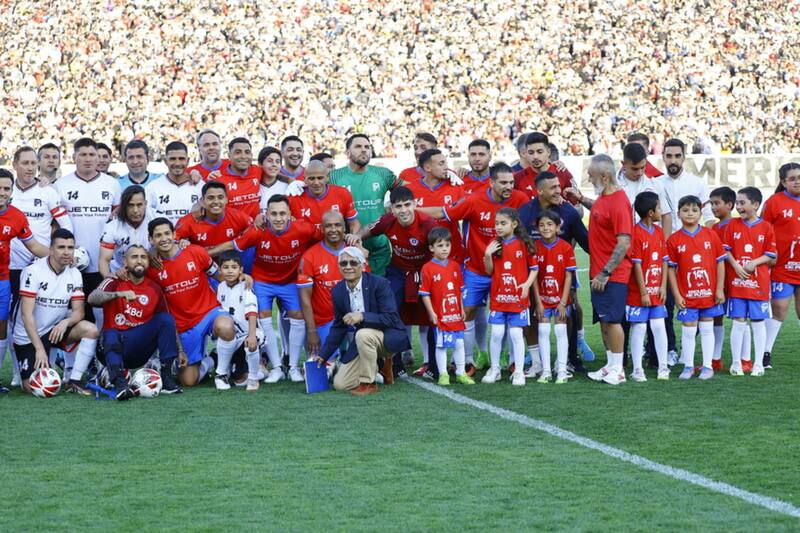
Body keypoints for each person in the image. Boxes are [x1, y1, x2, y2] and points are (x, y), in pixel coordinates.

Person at [419, 163, 528, 372]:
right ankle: (467, 361)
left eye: (511, 182)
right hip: (476, 270)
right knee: (466, 311)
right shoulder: (474, 200)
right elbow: (443, 213)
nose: (508, 186)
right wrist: (412, 209)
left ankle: (514, 361)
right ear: (492, 182)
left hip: (507, 273)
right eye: (503, 182)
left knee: (511, 313)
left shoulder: (520, 199)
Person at [216, 195, 320, 382]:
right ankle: (277, 368)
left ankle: (294, 367)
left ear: (290, 214)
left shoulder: (303, 228)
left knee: (298, 316)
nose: (278, 218)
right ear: (266, 215)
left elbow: (325, 238)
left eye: (282, 213)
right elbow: (234, 247)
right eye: (273, 214)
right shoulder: (257, 230)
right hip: (263, 281)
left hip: (290, 281)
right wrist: (207, 254)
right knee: (263, 316)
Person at [146, 217, 238, 387]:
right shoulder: (151, 267)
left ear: (175, 234)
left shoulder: (196, 252)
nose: (164, 238)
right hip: (183, 325)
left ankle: (222, 373)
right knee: (188, 381)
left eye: (167, 233)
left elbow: (219, 277)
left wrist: (241, 278)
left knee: (225, 326)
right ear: (151, 240)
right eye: (158, 235)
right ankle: (213, 359)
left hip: (209, 312)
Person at [359, 186, 439, 377]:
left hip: (424, 271)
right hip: (398, 271)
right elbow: (367, 231)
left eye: (407, 205)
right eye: (398, 206)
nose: (403, 210)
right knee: (390, 312)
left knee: (432, 316)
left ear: (415, 204)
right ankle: (394, 364)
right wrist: (357, 240)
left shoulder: (428, 224)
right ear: (392, 209)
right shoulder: (388, 221)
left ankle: (435, 365)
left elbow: (441, 248)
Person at [87, 245, 182, 399]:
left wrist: (181, 351)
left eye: (143, 257)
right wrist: (118, 294)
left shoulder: (154, 288)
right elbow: (92, 298)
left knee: (165, 319)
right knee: (111, 332)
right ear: (125, 261)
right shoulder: (113, 280)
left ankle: (166, 378)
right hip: (108, 346)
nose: (139, 261)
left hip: (137, 349)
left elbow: (167, 324)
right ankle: (120, 384)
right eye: (134, 257)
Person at [519, 171, 593, 372]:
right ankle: (536, 361)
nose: (558, 191)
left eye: (558, 186)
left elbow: (587, 243)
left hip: (563, 276)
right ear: (539, 191)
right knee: (532, 313)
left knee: (567, 313)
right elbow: (517, 245)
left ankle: (568, 358)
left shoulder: (567, 212)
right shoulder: (525, 213)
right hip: (533, 275)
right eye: (553, 188)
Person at [313, 247, 410, 395]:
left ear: (363, 265)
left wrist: (363, 316)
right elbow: (339, 327)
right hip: (363, 342)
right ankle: (380, 365)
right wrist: (323, 354)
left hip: (388, 336)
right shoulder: (338, 291)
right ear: (338, 267)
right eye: (343, 263)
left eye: (353, 263)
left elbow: (391, 318)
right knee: (340, 384)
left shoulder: (380, 284)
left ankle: (368, 383)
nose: (348, 267)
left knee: (363, 334)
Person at [13, 229, 98, 396]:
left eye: (70, 247)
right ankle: (48, 358)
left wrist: (65, 322)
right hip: (29, 337)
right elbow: (26, 315)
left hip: (54, 330)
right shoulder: (33, 271)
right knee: (32, 388)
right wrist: (39, 349)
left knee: (91, 329)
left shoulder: (74, 273)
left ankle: (73, 380)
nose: (66, 252)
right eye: (61, 247)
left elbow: (79, 312)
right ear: (51, 249)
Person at [54, 137, 122, 326]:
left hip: (103, 261)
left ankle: (99, 352)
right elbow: (54, 224)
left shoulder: (112, 184)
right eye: (83, 154)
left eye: (92, 154)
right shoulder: (61, 185)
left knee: (101, 310)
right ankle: (68, 355)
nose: (88, 158)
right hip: (72, 261)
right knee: (72, 311)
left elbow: (117, 219)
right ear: (74, 157)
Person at [577, 155, 632, 386]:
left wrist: (605, 273)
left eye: (591, 175)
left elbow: (623, 243)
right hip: (598, 273)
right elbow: (600, 212)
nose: (588, 178)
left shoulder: (619, 201)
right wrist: (580, 199)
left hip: (611, 275)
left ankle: (618, 369)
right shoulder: (604, 198)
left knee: (613, 320)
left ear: (605, 176)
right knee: (603, 320)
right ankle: (610, 364)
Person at [0, 167, 51, 393]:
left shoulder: (17, 216)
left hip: (3, 281)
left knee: (2, 328)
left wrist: (60, 255)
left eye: (6, 188)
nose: (2, 192)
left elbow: (34, 246)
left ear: (11, 191)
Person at [667, 196, 726, 380]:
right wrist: (676, 295)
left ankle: (708, 366)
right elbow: (670, 270)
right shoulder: (674, 240)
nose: (690, 214)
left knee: (707, 328)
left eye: (694, 210)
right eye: (685, 210)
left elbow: (720, 264)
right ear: (678, 214)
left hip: (709, 294)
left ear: (701, 213)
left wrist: (719, 289)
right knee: (688, 329)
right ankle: (688, 366)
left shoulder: (711, 235)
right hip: (687, 295)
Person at [329, 134, 401, 276]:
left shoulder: (383, 174)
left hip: (380, 247)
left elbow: (410, 191)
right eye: (358, 146)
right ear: (348, 153)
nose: (364, 150)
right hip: (349, 247)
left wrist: (446, 175)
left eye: (367, 147)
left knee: (377, 292)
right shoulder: (334, 177)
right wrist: (296, 183)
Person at [722, 187, 776, 376]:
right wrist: (736, 266)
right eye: (737, 203)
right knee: (738, 323)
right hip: (737, 285)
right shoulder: (732, 225)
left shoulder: (766, 227)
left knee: (758, 323)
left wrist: (755, 262)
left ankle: (759, 364)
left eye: (742, 203)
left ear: (755, 205)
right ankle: (736, 363)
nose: (739, 206)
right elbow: (725, 250)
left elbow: (771, 254)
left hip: (758, 285)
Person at [481, 207, 538, 386]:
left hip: (518, 299)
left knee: (515, 333)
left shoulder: (524, 243)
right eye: (496, 223)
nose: (498, 227)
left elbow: (534, 269)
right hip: (499, 299)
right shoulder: (494, 245)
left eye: (503, 223)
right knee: (497, 334)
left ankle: (519, 372)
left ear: (514, 224)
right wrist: (487, 255)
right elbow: (490, 271)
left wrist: (527, 285)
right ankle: (495, 369)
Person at [297, 211, 360, 359]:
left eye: (337, 225)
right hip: (326, 322)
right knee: (322, 367)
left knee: (362, 353)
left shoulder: (356, 253)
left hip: (354, 318)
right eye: (328, 226)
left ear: (345, 228)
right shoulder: (310, 256)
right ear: (322, 229)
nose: (333, 229)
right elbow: (305, 299)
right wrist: (312, 332)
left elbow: (366, 289)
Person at [419, 227, 475, 386]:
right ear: (431, 248)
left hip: (455, 314)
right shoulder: (427, 268)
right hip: (440, 314)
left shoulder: (455, 266)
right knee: (441, 345)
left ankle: (461, 373)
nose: (444, 249)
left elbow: (459, 290)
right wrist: (431, 313)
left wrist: (462, 308)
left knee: (459, 343)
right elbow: (425, 294)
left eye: (447, 245)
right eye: (440, 245)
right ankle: (443, 374)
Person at [625, 192, 670, 381]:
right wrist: (643, 291)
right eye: (659, 208)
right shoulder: (635, 233)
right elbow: (636, 264)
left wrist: (663, 286)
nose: (662, 212)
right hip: (639, 292)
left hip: (657, 289)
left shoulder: (659, 232)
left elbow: (664, 260)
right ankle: (637, 370)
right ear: (651, 212)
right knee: (639, 327)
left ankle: (663, 367)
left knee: (659, 326)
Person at [760, 162, 800, 369]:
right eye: (792, 178)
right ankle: (765, 352)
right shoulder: (774, 202)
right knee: (779, 309)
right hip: (782, 267)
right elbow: (761, 230)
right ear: (783, 182)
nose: (797, 181)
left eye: (799, 177)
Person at [709, 186, 750, 371]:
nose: (713, 207)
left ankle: (745, 359)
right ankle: (715, 359)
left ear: (730, 204)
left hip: (735, 279)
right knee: (716, 317)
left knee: (741, 318)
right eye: (711, 204)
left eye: (717, 203)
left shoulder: (737, 225)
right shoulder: (713, 228)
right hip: (718, 280)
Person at [532, 210, 576, 384]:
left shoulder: (565, 247)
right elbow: (534, 276)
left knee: (560, 330)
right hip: (542, 299)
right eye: (542, 225)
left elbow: (568, 277)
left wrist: (563, 303)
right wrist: (538, 303)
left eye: (550, 224)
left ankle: (562, 370)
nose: (545, 228)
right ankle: (546, 371)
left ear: (558, 227)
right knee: (543, 330)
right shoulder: (534, 247)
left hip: (560, 300)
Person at [214, 250, 263, 391]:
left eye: (234, 267)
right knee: (238, 380)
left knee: (250, 347)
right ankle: (221, 374)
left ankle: (254, 378)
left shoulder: (246, 286)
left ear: (241, 270)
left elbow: (252, 313)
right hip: (233, 336)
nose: (230, 271)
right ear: (220, 269)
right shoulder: (220, 287)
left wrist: (252, 335)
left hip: (250, 333)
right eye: (226, 267)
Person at [175, 182, 252, 261]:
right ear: (202, 201)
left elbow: (255, 229)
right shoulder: (188, 220)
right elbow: (171, 242)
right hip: (200, 264)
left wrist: (239, 241)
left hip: (230, 265)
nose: (216, 201)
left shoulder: (237, 216)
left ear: (226, 200)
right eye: (211, 198)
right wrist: (183, 244)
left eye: (220, 197)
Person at [99, 185, 158, 279]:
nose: (135, 210)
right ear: (123, 206)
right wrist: (109, 277)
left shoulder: (157, 217)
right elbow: (104, 259)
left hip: (152, 272)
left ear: (146, 203)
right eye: (130, 205)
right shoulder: (112, 224)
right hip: (122, 274)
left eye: (139, 205)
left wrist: (156, 249)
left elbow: (171, 243)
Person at [288, 159, 359, 232]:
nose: (316, 182)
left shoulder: (342, 193)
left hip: (335, 242)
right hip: (306, 243)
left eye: (320, 178)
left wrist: (353, 238)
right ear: (305, 179)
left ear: (327, 178)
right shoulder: (294, 197)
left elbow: (354, 223)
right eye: (311, 178)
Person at [145, 141, 204, 224]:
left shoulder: (200, 186)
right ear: (165, 161)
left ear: (187, 161)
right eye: (172, 159)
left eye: (181, 159)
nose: (177, 163)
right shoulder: (153, 188)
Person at [617, 142, 672, 228]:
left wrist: (664, 241)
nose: (640, 172)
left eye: (643, 167)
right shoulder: (612, 185)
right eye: (635, 169)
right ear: (623, 164)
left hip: (651, 240)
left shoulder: (655, 184)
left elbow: (666, 215)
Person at [208, 137, 262, 219]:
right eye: (238, 152)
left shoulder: (257, 171)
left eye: (247, 152)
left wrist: (288, 179)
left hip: (255, 229)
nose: (243, 156)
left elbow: (275, 172)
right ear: (229, 155)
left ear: (251, 155)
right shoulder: (217, 178)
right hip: (230, 229)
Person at [514, 132, 574, 199]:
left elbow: (577, 205)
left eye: (540, 152)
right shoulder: (518, 178)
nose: (535, 156)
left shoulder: (562, 173)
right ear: (526, 154)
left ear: (548, 152)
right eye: (531, 153)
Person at [258, 146, 288, 211]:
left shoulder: (287, 187)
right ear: (260, 164)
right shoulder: (253, 187)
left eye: (277, 161)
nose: (274, 164)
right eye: (270, 161)